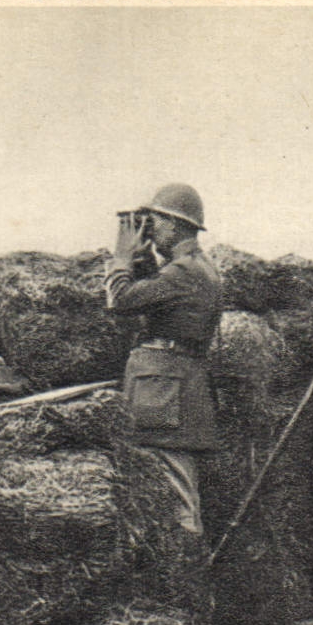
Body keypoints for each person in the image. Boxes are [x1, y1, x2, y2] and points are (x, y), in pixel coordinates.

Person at [103, 183, 222, 539]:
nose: (150, 231)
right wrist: (141, 260)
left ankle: (187, 581)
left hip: (165, 396)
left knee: (178, 502)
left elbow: (120, 300)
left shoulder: (185, 272)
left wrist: (121, 259)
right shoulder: (191, 268)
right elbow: (153, 295)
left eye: (154, 222)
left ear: (174, 224)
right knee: (171, 496)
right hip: (168, 392)